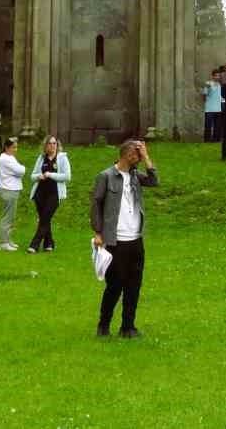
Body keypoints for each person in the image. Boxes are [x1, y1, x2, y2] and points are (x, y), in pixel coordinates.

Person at [90, 138, 158, 338]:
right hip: (115, 241)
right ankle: (103, 326)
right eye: (137, 155)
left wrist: (147, 158)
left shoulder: (136, 176)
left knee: (134, 285)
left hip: (136, 239)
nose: (139, 158)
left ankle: (128, 326)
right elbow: (96, 204)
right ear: (128, 155)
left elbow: (155, 181)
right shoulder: (106, 176)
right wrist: (98, 232)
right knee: (115, 286)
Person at [26, 136, 71, 254]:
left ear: (57, 145)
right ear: (45, 145)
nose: (52, 145)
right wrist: (38, 176)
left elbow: (67, 176)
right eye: (50, 143)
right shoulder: (41, 158)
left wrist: (50, 175)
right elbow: (32, 176)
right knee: (45, 219)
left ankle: (34, 245)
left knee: (45, 218)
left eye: (54, 143)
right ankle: (49, 243)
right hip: (40, 193)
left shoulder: (62, 158)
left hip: (54, 194)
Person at [0, 137, 25, 251]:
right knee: (7, 217)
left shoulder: (10, 157)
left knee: (11, 217)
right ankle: (3, 243)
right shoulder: (5, 159)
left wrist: (19, 170)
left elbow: (19, 171)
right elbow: (21, 170)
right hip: (8, 190)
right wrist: (20, 170)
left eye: (16, 147)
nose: (15, 149)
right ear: (7, 147)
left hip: (12, 189)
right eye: (13, 147)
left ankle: (8, 240)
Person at [201, 71, 222, 143]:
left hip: (218, 109)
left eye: (218, 76)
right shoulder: (208, 84)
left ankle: (216, 140)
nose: (217, 77)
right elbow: (204, 95)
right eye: (216, 76)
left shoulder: (219, 84)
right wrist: (207, 102)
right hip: (209, 109)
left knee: (217, 126)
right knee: (208, 126)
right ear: (212, 76)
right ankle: (207, 140)